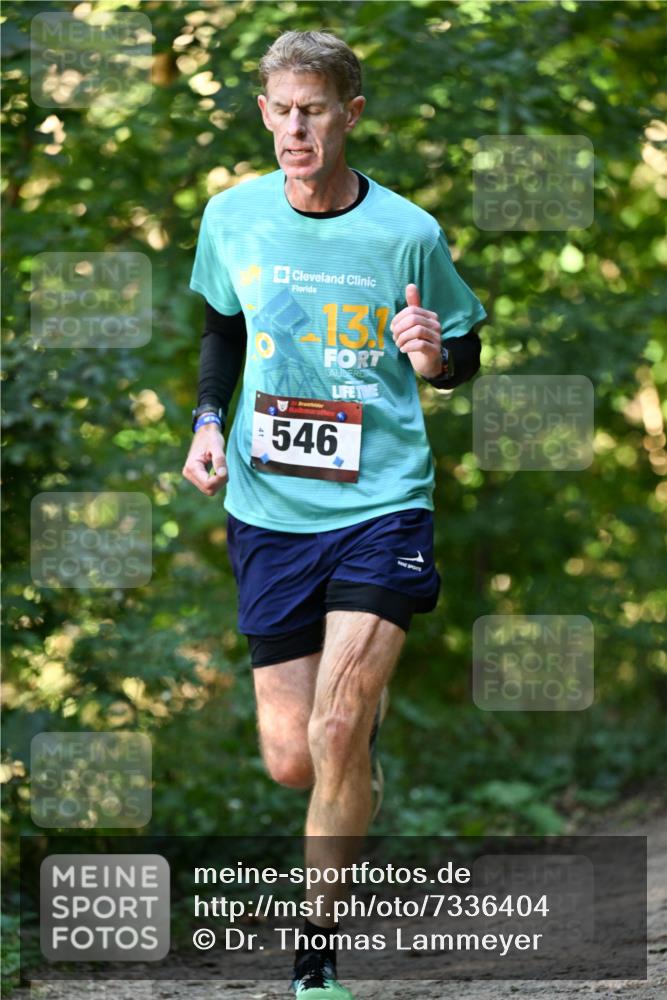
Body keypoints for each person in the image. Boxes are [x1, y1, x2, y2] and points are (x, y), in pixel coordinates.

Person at [182, 29, 486, 1000]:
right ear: (263, 112)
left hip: (380, 504)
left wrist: (433, 355)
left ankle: (314, 959)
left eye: (314, 108)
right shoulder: (231, 216)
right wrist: (204, 420)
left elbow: (460, 350)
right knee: (291, 759)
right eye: (280, 107)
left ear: (350, 115)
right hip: (269, 508)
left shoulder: (407, 233)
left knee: (337, 721)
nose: (294, 127)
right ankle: (351, 753)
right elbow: (222, 325)